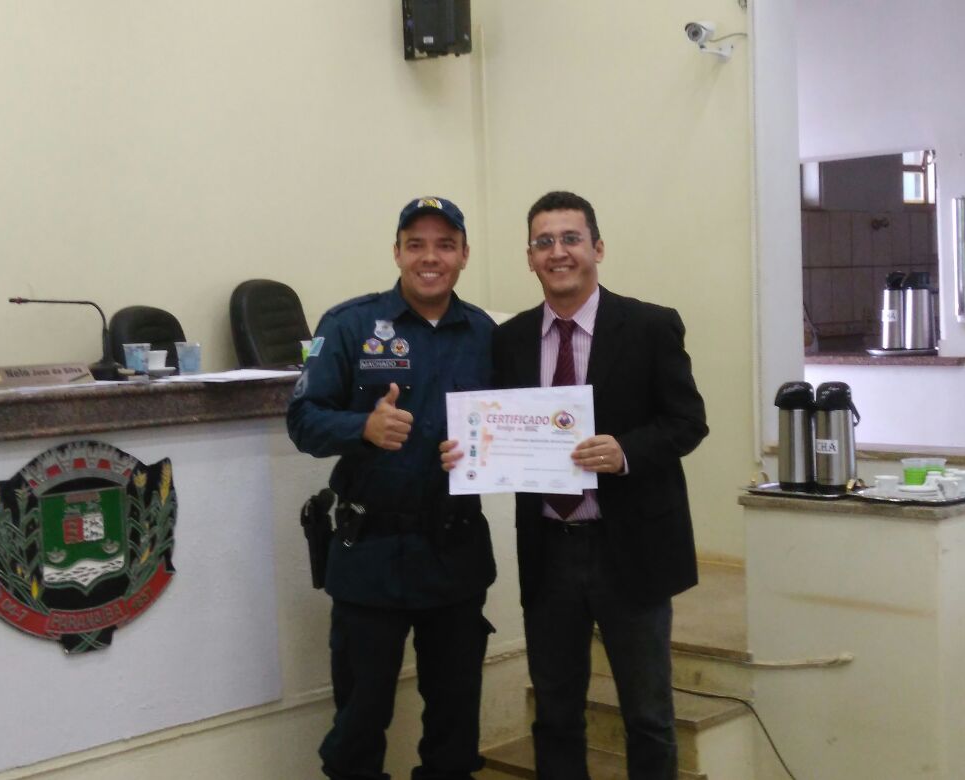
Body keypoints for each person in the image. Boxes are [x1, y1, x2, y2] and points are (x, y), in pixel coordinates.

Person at [445, 190, 708, 779]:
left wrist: (626, 451)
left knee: (648, 715)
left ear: (597, 248)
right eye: (544, 242)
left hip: (631, 547)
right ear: (529, 258)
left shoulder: (650, 326)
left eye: (571, 239)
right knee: (556, 713)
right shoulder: (509, 339)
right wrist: (468, 449)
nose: (558, 252)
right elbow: (498, 428)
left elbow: (688, 422)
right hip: (549, 549)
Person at [287, 196, 497, 780]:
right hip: (370, 553)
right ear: (397, 252)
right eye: (416, 244)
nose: (431, 257)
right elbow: (302, 419)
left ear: (464, 255)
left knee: (455, 726)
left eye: (445, 245)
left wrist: (484, 450)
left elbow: (507, 424)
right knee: (359, 723)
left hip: (454, 553)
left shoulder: (485, 333)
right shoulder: (348, 325)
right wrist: (363, 429)